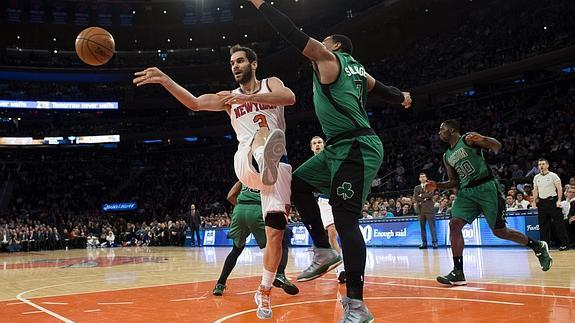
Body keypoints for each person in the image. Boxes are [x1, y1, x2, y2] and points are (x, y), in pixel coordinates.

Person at [246, 1, 412, 321]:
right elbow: (386, 90)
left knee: (346, 221)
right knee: (296, 184)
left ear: (336, 46)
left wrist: (262, 5)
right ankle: (323, 249)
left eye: (325, 40)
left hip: (357, 145)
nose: (320, 42)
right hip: (338, 147)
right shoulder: (359, 72)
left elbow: (292, 33)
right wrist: (402, 97)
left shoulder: (329, 58)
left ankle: (356, 304)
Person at [134, 44, 295, 320]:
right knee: (262, 135)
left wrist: (244, 101)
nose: (235, 65)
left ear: (253, 64)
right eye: (232, 62)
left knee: (276, 235)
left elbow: (289, 98)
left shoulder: (270, 83)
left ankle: (264, 291)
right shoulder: (227, 98)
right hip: (246, 160)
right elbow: (195, 103)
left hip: (277, 169)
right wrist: (165, 80)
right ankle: (263, 156)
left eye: (241, 61)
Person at [425, 120, 552, 286]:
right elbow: (454, 182)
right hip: (466, 192)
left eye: (442, 129)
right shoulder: (446, 156)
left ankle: (537, 246)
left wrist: (484, 139)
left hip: (486, 187)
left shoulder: (468, 139)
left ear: (452, 129)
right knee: (454, 224)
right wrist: (438, 185)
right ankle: (458, 271)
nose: (439, 132)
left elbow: (497, 146)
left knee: (500, 231)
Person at [212, 181, 298, 296]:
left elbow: (230, 196)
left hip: (239, 211)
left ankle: (220, 284)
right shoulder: (271, 175)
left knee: (236, 250)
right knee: (280, 242)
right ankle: (280, 275)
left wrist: (242, 208)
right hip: (258, 209)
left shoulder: (246, 176)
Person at [310, 135, 346, 283]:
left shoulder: (332, 159)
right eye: (314, 143)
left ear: (324, 145)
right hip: (324, 201)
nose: (317, 145)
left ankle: (353, 267)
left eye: (319, 142)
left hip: (338, 198)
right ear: (312, 148)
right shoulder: (310, 165)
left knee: (344, 232)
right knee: (331, 231)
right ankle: (340, 269)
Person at [532, 158, 569, 251]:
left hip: (553, 201)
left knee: (559, 224)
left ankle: (565, 244)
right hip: (542, 202)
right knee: (543, 225)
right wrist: (534, 201)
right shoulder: (536, 177)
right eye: (539, 164)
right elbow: (535, 190)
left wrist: (559, 200)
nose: (541, 166)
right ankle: (545, 246)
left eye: (543, 164)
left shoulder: (553, 175)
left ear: (547, 165)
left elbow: (559, 188)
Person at [413, 173, 437, 249]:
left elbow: (430, 195)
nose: (422, 178)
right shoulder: (416, 187)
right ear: (419, 179)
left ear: (426, 178)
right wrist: (424, 197)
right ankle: (424, 243)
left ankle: (434, 242)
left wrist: (421, 196)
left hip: (429, 209)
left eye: (424, 177)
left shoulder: (430, 185)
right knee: (422, 227)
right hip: (420, 210)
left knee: (432, 227)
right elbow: (415, 197)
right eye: (421, 177)